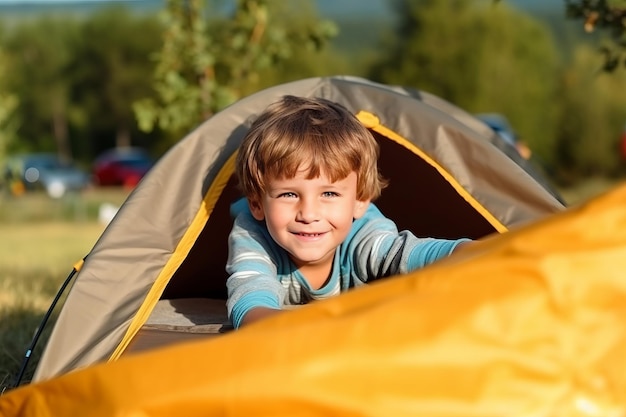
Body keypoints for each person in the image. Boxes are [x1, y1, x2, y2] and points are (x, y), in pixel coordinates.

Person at [226, 95, 473, 329]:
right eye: (289, 194)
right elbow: (251, 297)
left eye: (329, 194)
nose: (309, 214)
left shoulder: (364, 235)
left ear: (360, 201)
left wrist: (478, 252)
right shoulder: (253, 235)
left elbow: (410, 253)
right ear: (257, 203)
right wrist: (289, 330)